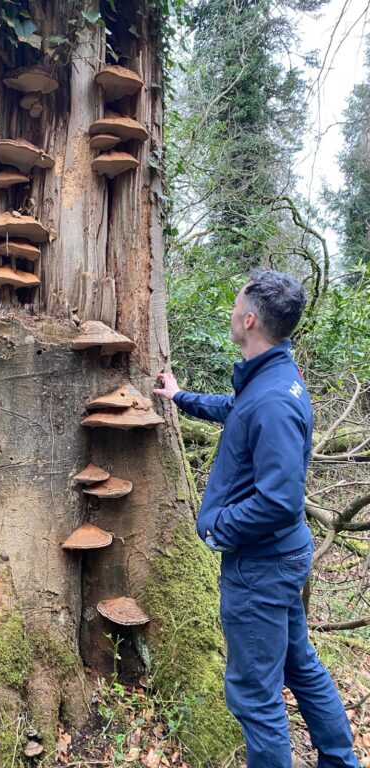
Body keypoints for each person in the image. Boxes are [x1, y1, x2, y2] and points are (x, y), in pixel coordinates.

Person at [153, 270, 359, 768]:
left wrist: (216, 526)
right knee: (300, 665)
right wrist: (180, 397)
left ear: (248, 319)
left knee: (254, 695)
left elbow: (279, 501)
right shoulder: (270, 380)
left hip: (260, 567)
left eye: (235, 303)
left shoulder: (271, 398)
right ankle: (340, 761)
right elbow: (237, 410)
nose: (231, 311)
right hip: (280, 558)